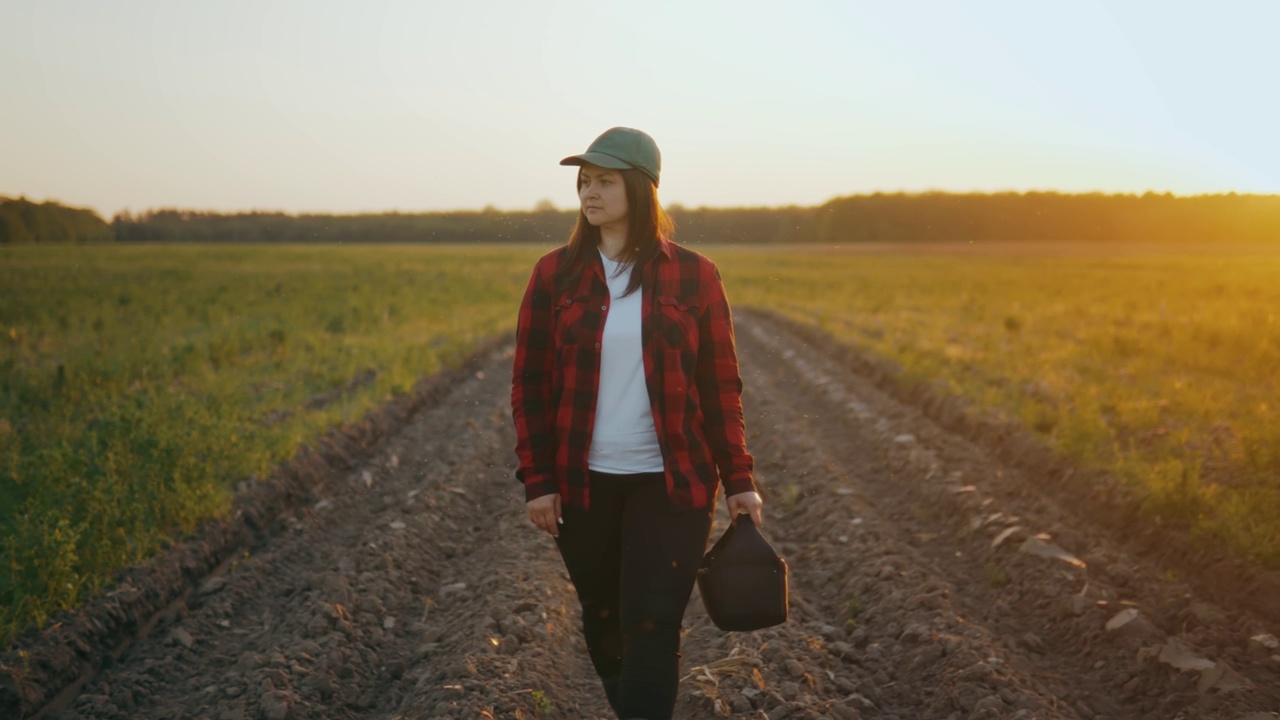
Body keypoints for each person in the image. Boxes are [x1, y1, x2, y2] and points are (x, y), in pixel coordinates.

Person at [510, 126, 762, 719]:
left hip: (670, 483)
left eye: (605, 181)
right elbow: (529, 385)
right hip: (583, 482)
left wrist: (740, 479)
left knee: (650, 625)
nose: (589, 193)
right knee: (604, 621)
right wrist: (538, 479)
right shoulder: (555, 275)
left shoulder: (696, 276)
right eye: (585, 182)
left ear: (641, 189)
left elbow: (720, 384)